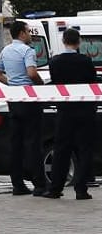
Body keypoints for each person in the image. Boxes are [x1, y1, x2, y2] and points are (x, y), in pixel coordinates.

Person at [0, 20, 47, 195]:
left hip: (14, 100)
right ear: (22, 34)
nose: (30, 35)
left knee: (16, 143)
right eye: (28, 31)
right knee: (33, 142)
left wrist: (11, 83)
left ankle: (17, 184)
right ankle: (39, 184)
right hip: (29, 99)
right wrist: (40, 84)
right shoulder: (27, 51)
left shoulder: (6, 50)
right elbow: (32, 73)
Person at [45, 27, 98, 200]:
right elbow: (92, 83)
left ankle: (55, 188)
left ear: (63, 41)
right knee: (85, 149)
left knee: (61, 149)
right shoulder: (85, 61)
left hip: (64, 111)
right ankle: (81, 189)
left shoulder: (55, 62)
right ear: (79, 42)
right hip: (84, 111)